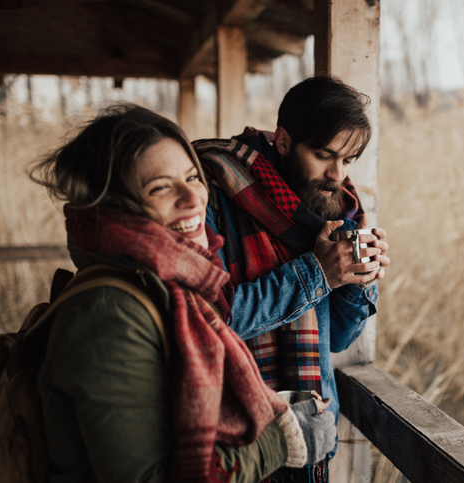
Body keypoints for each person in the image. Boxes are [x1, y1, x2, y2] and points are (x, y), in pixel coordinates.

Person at [29, 104, 337, 483]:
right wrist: (283, 442)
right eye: (160, 187)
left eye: (192, 177)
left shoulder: (178, 285)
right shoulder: (109, 313)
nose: (193, 199)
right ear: (112, 206)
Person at [194, 75, 390, 482]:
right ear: (283, 142)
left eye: (348, 160)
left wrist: (357, 279)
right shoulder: (212, 189)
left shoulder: (339, 212)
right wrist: (317, 273)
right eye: (323, 155)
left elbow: (335, 338)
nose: (337, 174)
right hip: (237, 441)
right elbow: (208, 323)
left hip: (312, 431)